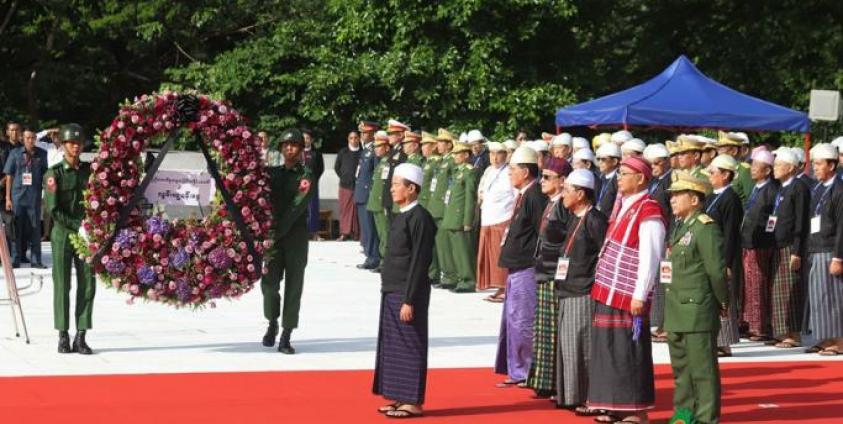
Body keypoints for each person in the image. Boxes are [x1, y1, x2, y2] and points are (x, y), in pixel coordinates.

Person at [588, 157, 665, 424]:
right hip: (608, 288)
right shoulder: (623, 205)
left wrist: (640, 294)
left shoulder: (649, 209)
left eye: (624, 173)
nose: (618, 178)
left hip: (627, 292)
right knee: (607, 348)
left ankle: (635, 409)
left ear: (641, 178)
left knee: (628, 350)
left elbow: (650, 256)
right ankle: (612, 405)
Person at [373, 163, 436, 419]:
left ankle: (413, 400)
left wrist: (409, 299)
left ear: (411, 189)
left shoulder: (421, 218)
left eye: (397, 184)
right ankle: (399, 395)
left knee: (410, 344)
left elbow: (419, 261)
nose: (392, 189)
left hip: (408, 293)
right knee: (393, 345)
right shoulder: (401, 215)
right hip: (392, 289)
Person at [664, 171, 728, 424]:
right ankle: (684, 415)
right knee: (681, 371)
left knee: (702, 370)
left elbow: (716, 270)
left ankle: (705, 417)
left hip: (697, 308)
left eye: (678, 195)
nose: (672, 199)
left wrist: (722, 300)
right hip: (677, 307)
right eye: (672, 195)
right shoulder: (681, 226)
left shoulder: (705, 227)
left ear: (694, 199)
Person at [551, 169, 607, 413]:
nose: (563, 194)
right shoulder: (574, 217)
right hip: (568, 286)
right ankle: (570, 394)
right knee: (568, 344)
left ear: (581, 194)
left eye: (567, 190)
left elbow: (603, 255)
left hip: (584, 290)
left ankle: (588, 397)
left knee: (582, 346)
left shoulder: (595, 219)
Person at [494, 145, 547, 387]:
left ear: (525, 172)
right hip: (516, 266)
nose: (509, 173)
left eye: (513, 169)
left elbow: (540, 232)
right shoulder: (525, 195)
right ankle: (518, 369)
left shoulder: (535, 196)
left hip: (527, 266)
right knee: (513, 320)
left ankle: (526, 371)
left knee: (523, 320)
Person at [261, 128, 315, 354]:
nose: (288, 148)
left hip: (294, 237)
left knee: (294, 286)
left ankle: (286, 333)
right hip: (273, 236)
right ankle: (272, 321)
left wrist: (277, 231)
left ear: (301, 150)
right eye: (285, 145)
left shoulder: (306, 175)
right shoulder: (272, 173)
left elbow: (297, 207)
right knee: (269, 285)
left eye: (293, 145)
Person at [44, 123, 94, 354]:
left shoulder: (89, 172)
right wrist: (78, 226)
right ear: (63, 145)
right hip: (63, 234)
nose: (75, 146)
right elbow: (53, 210)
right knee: (62, 285)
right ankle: (63, 335)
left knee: (87, 284)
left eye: (79, 143)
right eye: (71, 143)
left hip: (85, 236)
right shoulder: (54, 174)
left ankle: (81, 335)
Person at [526, 157, 571, 398]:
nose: (541, 181)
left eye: (547, 177)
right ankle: (543, 380)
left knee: (553, 331)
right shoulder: (551, 203)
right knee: (543, 330)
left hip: (554, 273)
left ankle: (554, 383)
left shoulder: (563, 205)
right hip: (544, 270)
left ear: (562, 181)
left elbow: (566, 243)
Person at [803, 143, 843, 356]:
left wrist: (839, 257)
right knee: (819, 296)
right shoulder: (818, 189)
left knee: (833, 297)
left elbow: (842, 227)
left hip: (830, 250)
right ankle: (824, 337)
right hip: (816, 247)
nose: (815, 168)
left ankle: (839, 340)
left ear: (831, 165)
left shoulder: (839, 190)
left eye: (819, 164)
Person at [768, 149, 810, 348]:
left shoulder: (798, 187)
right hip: (778, 244)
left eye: (778, 165)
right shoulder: (782, 188)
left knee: (789, 291)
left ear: (791, 168)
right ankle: (782, 330)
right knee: (779, 291)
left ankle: (793, 334)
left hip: (791, 247)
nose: (774, 169)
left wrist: (796, 251)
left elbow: (801, 222)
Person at [705, 155, 744, 357]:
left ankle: (725, 342)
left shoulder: (731, 198)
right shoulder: (712, 197)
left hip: (724, 255)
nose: (710, 176)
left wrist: (728, 262)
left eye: (713, 172)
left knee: (724, 297)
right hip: (710, 254)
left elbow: (731, 233)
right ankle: (714, 339)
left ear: (726, 174)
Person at [740, 149, 779, 341]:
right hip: (748, 242)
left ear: (767, 170)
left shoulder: (771, 190)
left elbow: (772, 219)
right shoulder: (756, 188)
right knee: (749, 285)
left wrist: (766, 238)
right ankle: (751, 323)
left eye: (757, 167)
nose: (752, 170)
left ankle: (760, 327)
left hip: (761, 244)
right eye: (752, 166)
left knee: (758, 284)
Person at [5, 127, 48, 268]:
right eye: (28, 138)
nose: (30, 140)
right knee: (16, 229)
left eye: (33, 138)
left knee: (35, 229)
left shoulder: (42, 154)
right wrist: (8, 198)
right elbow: (9, 176)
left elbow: (46, 177)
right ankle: (16, 259)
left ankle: (36, 260)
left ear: (36, 139)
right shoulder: (15, 153)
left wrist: (44, 196)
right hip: (17, 197)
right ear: (23, 139)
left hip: (34, 197)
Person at [644, 143, 674, 343]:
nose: (653, 167)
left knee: (666, 282)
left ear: (666, 162)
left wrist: (671, 240)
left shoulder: (671, 181)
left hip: (667, 236)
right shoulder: (655, 181)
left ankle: (668, 325)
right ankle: (660, 323)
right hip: (655, 235)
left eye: (657, 163)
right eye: (651, 164)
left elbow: (673, 213)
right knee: (657, 281)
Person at [476, 141, 513, 300]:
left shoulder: (509, 172)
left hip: (502, 217)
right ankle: (496, 286)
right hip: (488, 217)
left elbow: (515, 194)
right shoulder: (489, 171)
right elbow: (481, 189)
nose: (495, 158)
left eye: (499, 154)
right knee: (490, 256)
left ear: (505, 155)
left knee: (499, 255)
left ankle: (504, 287)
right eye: (492, 154)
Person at [441, 142, 478, 293]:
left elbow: (470, 198)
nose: (455, 156)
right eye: (454, 154)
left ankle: (468, 280)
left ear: (466, 155)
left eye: (458, 154)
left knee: (463, 251)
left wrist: (467, 220)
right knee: (455, 251)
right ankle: (459, 277)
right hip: (451, 216)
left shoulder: (469, 172)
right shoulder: (457, 171)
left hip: (460, 217)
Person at [428, 129, 456, 287]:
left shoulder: (451, 162)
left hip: (444, 208)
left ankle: (450, 276)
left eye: (440, 142)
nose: (437, 145)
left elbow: (451, 187)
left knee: (445, 245)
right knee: (438, 244)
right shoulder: (442, 161)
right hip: (435, 207)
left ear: (448, 144)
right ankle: (441, 274)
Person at [354, 121, 381, 270]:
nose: (362, 135)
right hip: (361, 193)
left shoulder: (375, 150)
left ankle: (374, 257)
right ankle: (369, 255)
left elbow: (376, 173)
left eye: (365, 133)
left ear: (372, 134)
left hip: (368, 194)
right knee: (365, 227)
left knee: (370, 228)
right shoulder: (365, 151)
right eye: (362, 133)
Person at [366, 132, 392, 272]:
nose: (376, 149)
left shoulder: (388, 161)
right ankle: (382, 260)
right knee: (381, 233)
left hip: (381, 203)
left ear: (387, 147)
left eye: (379, 146)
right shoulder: (382, 162)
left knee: (385, 233)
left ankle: (385, 261)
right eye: (375, 146)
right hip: (375, 203)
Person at [334, 130, 362, 241]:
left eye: (356, 137)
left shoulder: (362, 152)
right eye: (351, 138)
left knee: (357, 210)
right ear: (348, 139)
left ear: (359, 139)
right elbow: (337, 167)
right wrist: (344, 177)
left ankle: (357, 234)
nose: (353, 140)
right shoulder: (343, 152)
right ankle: (344, 233)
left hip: (359, 186)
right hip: (345, 185)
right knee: (345, 209)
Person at [382, 120, 409, 225]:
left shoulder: (403, 153)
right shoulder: (392, 152)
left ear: (401, 135)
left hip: (397, 196)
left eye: (391, 134)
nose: (389, 136)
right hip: (389, 195)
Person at [716, 131, 753, 204]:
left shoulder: (744, 170)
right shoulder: (720, 170)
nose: (719, 153)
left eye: (722, 149)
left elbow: (751, 199)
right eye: (718, 149)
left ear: (734, 151)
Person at [1, 122, 20, 253]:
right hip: (2, 188)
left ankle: (13, 253)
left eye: (16, 130)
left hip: (15, 189)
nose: (14, 133)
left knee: (11, 222)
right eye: (11, 130)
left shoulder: (23, 148)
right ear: (7, 132)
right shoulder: (3, 147)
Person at [302, 128, 324, 240]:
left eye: (307, 138)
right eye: (304, 138)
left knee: (313, 208)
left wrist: (314, 179)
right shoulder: (298, 152)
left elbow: (321, 168)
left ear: (311, 140)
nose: (306, 140)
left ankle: (315, 233)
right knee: (301, 209)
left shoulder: (316, 153)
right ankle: (302, 233)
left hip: (313, 184)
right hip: (299, 186)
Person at [595, 143, 621, 214]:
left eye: (603, 159)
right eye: (598, 159)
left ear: (614, 161)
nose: (599, 162)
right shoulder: (600, 176)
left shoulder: (619, 179)